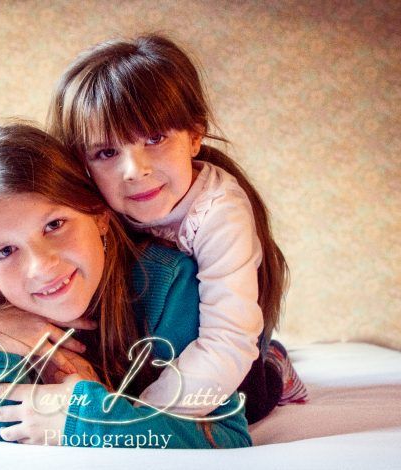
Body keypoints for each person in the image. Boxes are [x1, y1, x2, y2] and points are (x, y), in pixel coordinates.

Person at [0, 123, 251, 448]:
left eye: (55, 225)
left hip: (236, 365)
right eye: (6, 251)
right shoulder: (4, 320)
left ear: (99, 215)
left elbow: (227, 437)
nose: (42, 266)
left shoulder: (169, 284)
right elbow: (2, 425)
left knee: (260, 380)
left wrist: (87, 418)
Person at [47, 34, 307, 424]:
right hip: (153, 339)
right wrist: (4, 321)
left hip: (224, 330)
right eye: (106, 152)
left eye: (155, 138)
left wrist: (136, 421)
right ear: (82, 162)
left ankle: (274, 361)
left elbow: (227, 340)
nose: (135, 171)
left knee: (243, 400)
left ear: (195, 135)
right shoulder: (87, 200)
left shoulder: (220, 213)